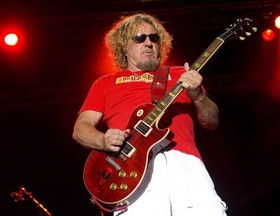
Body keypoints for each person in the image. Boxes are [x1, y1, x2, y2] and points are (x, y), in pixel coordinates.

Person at [72, 13, 227, 216]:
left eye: (153, 38)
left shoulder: (182, 74)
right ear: (123, 46)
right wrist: (103, 140)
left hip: (185, 165)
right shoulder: (105, 83)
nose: (148, 43)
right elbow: (80, 129)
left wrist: (197, 96)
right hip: (133, 170)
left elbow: (211, 121)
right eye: (139, 38)